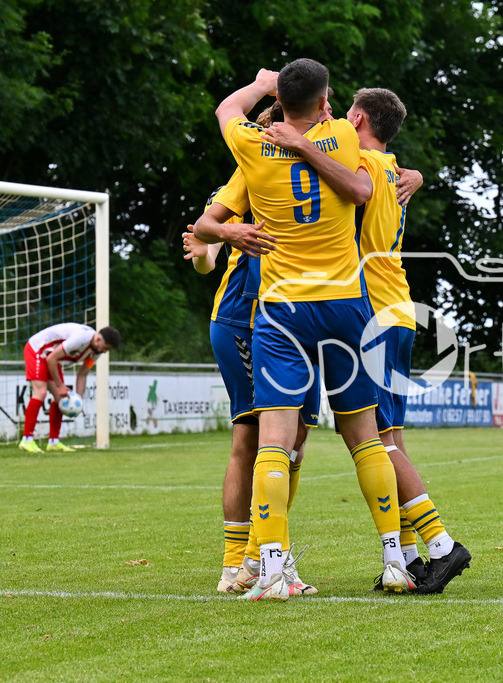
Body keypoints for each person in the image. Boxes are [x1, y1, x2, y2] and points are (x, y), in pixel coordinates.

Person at [263, 87, 472, 594]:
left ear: (356, 118)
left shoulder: (362, 165)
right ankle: (402, 559)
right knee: (390, 438)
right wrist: (420, 177)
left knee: (375, 441)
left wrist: (292, 139)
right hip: (396, 307)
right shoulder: (392, 166)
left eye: (339, 114)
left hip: (373, 312)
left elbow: (329, 172)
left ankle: (441, 544)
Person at [216, 61, 409, 600]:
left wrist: (260, 85)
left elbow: (227, 109)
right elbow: (365, 184)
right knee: (367, 440)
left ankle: (271, 568)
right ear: (327, 101)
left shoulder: (251, 146)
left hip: (281, 312)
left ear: (281, 99)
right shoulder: (344, 135)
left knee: (274, 444)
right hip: (346, 304)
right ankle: (396, 560)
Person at [183, 159, 319, 597]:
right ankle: (239, 562)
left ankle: (265, 553)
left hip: (299, 322)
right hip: (244, 321)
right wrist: (204, 250)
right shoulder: (242, 184)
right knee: (254, 438)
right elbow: (206, 259)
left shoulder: (318, 177)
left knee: (296, 438)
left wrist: (414, 175)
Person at [19, 323, 120, 453]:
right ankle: (26, 440)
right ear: (98, 339)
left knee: (61, 397)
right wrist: (60, 386)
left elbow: (83, 374)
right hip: (38, 350)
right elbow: (51, 359)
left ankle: (53, 442)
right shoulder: (81, 338)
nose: (105, 352)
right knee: (40, 392)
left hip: (52, 358)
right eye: (106, 348)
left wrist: (79, 399)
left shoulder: (96, 352)